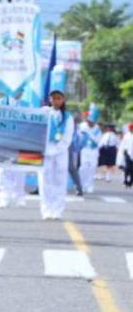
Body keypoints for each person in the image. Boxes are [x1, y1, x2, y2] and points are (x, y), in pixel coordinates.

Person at [39, 88, 74, 220]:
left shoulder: (68, 117)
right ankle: (46, 209)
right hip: (45, 150)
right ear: (50, 99)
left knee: (60, 179)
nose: (56, 101)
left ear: (63, 100)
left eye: (59, 98)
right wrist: (46, 148)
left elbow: (68, 136)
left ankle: (57, 209)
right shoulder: (44, 112)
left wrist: (57, 148)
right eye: (53, 98)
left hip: (60, 151)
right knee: (45, 179)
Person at [78, 118, 100, 194]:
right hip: (84, 150)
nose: (89, 123)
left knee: (92, 168)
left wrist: (89, 133)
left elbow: (97, 141)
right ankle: (82, 185)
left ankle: (90, 185)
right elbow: (79, 138)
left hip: (93, 150)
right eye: (88, 121)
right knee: (83, 168)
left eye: (90, 122)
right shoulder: (83, 127)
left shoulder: (97, 130)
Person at [120, 123, 133, 189]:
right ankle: (125, 180)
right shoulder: (127, 135)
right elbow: (123, 144)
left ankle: (130, 182)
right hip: (127, 153)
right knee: (127, 168)